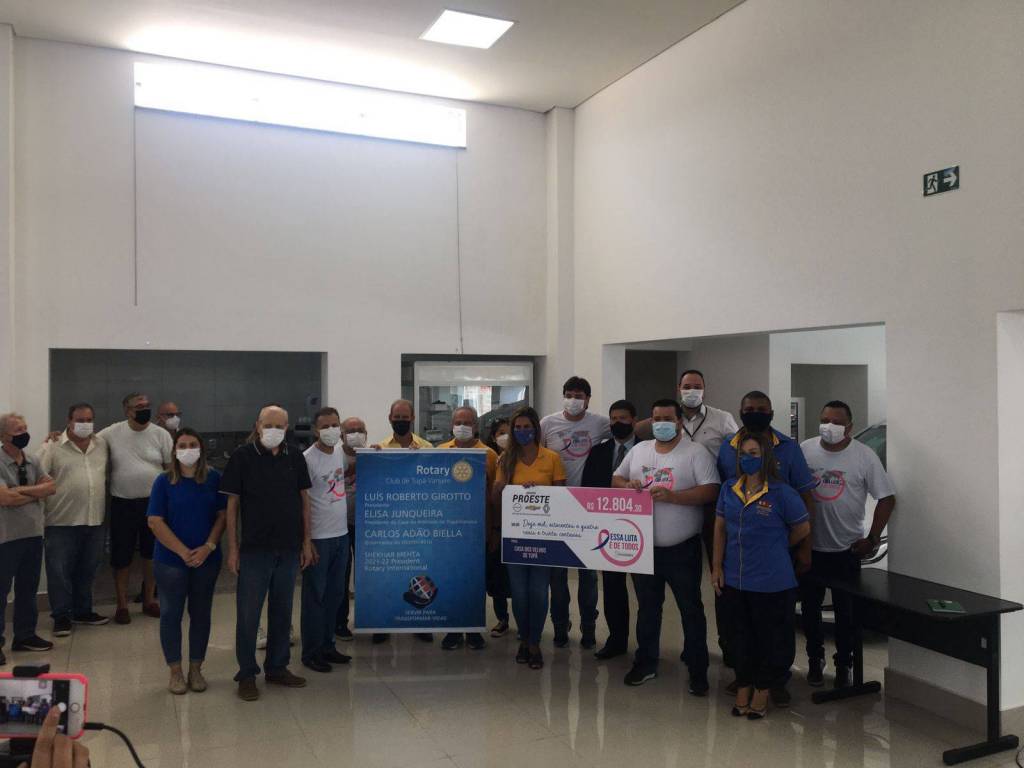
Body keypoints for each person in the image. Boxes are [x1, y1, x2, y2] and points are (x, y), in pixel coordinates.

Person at [612, 399, 719, 692]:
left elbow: (711, 490)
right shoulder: (639, 450)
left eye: (668, 419)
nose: (661, 424)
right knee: (648, 609)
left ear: (679, 422)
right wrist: (627, 486)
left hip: (682, 549)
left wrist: (674, 497)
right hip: (644, 548)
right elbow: (616, 478)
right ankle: (646, 663)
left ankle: (698, 669)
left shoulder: (695, 453)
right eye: (657, 418)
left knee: (690, 609)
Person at [716, 390, 816, 705]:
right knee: (739, 622)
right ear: (740, 411)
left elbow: (806, 499)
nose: (755, 413)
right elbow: (721, 505)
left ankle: (775, 681)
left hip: (777, 550)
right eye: (749, 408)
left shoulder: (788, 448)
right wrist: (717, 562)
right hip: (737, 553)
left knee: (775, 623)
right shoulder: (727, 447)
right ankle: (744, 676)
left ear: (771, 413)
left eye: (762, 409)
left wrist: (802, 547)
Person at [800, 401, 896, 688]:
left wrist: (873, 538)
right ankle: (815, 661)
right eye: (825, 420)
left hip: (847, 550)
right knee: (810, 611)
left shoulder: (864, 456)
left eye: (836, 422)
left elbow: (886, 498)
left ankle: (845, 665)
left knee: (847, 615)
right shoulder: (805, 450)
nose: (829, 426)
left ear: (850, 427)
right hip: (811, 548)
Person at [222, 404, 314, 701]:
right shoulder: (242, 457)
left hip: (288, 549)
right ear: (258, 426)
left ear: (287, 428)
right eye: (268, 425)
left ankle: (277, 667)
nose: (273, 430)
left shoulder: (295, 456)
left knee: (282, 611)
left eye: (279, 426)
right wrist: (233, 548)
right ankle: (247, 674)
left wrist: (306, 541)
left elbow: (304, 500)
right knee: (249, 615)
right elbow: (232, 506)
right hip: (254, 550)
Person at [147, 428, 226, 694]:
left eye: (193, 444)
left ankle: (195, 669)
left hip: (207, 559)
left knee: (201, 614)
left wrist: (208, 547)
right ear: (174, 451)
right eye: (182, 445)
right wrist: (183, 552)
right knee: (171, 614)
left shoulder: (214, 478)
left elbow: (222, 516)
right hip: (171, 561)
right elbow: (155, 521)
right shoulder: (163, 481)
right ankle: (175, 672)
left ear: (201, 449)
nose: (188, 449)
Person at [494, 406, 566, 669]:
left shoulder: (552, 458)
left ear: (536, 428)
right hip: (514, 537)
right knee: (519, 593)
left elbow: (561, 498)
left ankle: (534, 642)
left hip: (544, 537)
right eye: (518, 427)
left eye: (527, 427)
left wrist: (537, 493)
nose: (522, 431)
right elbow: (496, 499)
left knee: (538, 592)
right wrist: (503, 487)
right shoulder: (506, 459)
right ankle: (524, 639)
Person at [540, 376, 610, 648]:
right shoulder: (548, 423)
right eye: (569, 394)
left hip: (587, 508)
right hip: (556, 506)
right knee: (556, 575)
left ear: (588, 399)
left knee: (588, 575)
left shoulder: (599, 423)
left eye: (579, 395)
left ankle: (589, 626)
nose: (573, 400)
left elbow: (626, 430)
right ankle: (560, 624)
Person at [97, 393, 173, 624]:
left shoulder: (160, 434)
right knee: (122, 556)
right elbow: (88, 441)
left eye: (147, 405)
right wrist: (56, 436)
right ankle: (122, 605)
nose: (144, 409)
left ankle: (149, 600)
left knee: (152, 554)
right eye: (139, 406)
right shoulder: (112, 432)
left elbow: (170, 469)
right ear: (127, 410)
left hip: (154, 504)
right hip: (123, 503)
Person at [37, 403, 110, 638]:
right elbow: (37, 476)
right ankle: (61, 616)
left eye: (89, 420)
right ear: (69, 421)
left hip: (94, 519)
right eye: (80, 420)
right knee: (59, 572)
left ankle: (82, 611)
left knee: (88, 569)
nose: (85, 424)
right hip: (61, 521)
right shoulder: (53, 446)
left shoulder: (102, 444)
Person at [580, 399, 638, 660]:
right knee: (613, 589)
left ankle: (647, 646)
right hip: (608, 530)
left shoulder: (647, 449)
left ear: (634, 420)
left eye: (623, 418)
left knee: (646, 593)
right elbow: (588, 489)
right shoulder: (599, 451)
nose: (618, 423)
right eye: (613, 419)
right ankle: (616, 641)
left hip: (641, 529)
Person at [371, 399, 433, 644]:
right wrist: (372, 460)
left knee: (419, 571)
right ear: (389, 418)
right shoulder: (380, 448)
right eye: (396, 418)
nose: (400, 421)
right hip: (389, 523)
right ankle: (383, 622)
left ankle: (420, 622)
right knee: (387, 573)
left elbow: (434, 484)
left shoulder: (427, 448)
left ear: (413, 418)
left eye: (404, 417)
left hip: (418, 521)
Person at [438, 406, 497, 651]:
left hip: (478, 531)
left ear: (476, 426)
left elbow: (494, 496)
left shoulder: (489, 455)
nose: (462, 426)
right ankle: (452, 629)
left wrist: (493, 530)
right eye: (458, 422)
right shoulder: (440, 452)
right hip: (448, 532)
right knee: (451, 581)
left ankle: (473, 630)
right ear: (451, 425)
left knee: (475, 583)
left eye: (468, 422)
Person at [0, 413, 56, 665]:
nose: (24, 434)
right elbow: (4, 498)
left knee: (27, 589)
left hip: (33, 534)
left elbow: (51, 487)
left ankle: (24, 635)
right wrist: (36, 492)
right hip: (5, 538)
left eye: (25, 428)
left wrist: (19, 491)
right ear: (3, 436)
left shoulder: (32, 459)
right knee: (1, 591)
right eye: (17, 430)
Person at [300, 407, 353, 673]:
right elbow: (301, 503)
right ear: (315, 430)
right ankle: (311, 652)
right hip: (318, 539)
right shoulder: (307, 459)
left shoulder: (340, 453)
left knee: (335, 595)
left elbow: (348, 472)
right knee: (315, 598)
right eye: (325, 426)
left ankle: (328, 644)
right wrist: (306, 541)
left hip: (341, 536)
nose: (331, 430)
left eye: (335, 425)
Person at [635, 370, 739, 455]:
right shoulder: (670, 418)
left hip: (712, 473)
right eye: (687, 387)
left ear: (704, 390)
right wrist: (659, 418)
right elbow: (637, 431)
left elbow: (737, 449)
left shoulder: (723, 418)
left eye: (697, 387)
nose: (692, 391)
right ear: (679, 389)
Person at [335, 416, 368, 641]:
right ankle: (340, 622)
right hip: (339, 525)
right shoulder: (334, 457)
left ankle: (370, 619)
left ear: (366, 433)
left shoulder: (373, 455)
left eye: (360, 430)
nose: (356, 434)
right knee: (341, 573)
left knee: (367, 573)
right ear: (341, 435)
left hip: (367, 524)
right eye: (350, 430)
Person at [483, 417, 512, 637]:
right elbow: (492, 498)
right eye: (501, 432)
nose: (506, 436)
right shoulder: (494, 459)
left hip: (523, 528)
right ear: (494, 437)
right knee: (498, 579)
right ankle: (502, 618)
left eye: (509, 431)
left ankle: (525, 622)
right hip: (498, 526)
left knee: (519, 581)